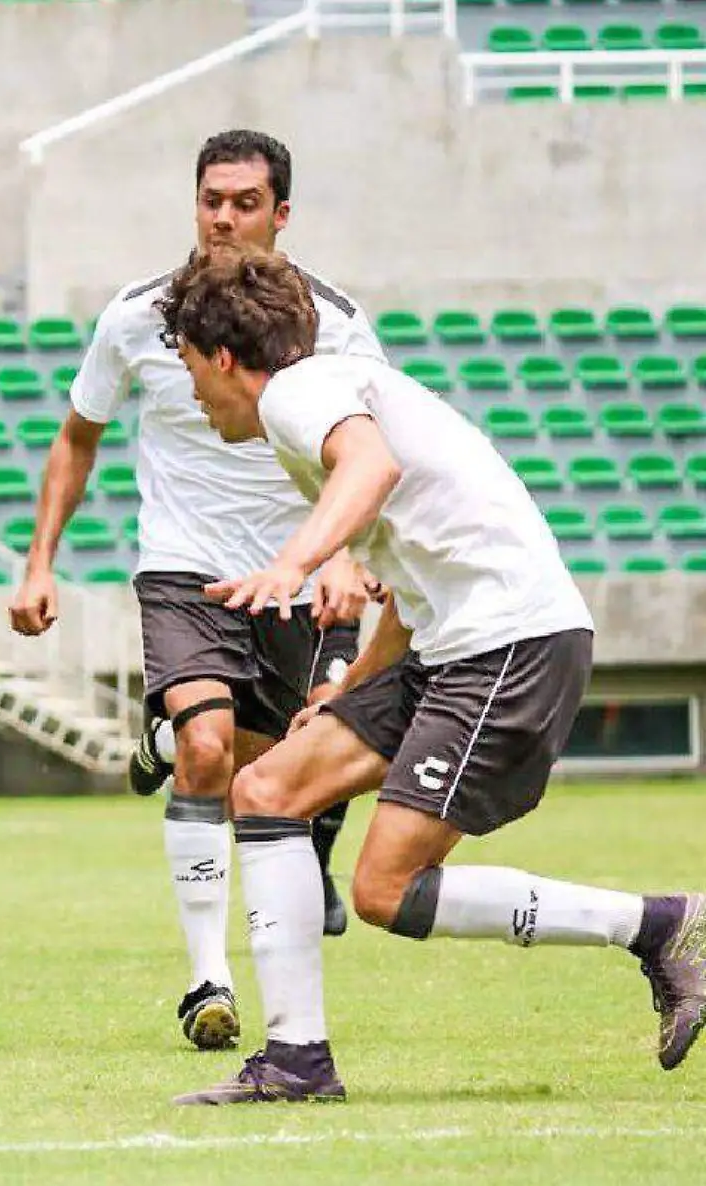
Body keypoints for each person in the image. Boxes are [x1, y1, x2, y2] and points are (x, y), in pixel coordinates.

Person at [157, 245, 704, 1105]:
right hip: (449, 646)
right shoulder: (318, 407)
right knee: (265, 789)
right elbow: (411, 584)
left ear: (223, 357)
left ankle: (660, 925)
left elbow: (373, 472)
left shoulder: (301, 394)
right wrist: (352, 686)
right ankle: (295, 1061)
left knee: (383, 890)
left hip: (510, 646)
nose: (191, 391)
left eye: (190, 367)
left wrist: (294, 564)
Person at [9, 129, 377, 1052]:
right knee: (209, 755)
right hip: (184, 567)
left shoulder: (334, 321)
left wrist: (342, 554)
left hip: (296, 576)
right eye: (211, 198)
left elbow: (368, 454)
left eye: (245, 201)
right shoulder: (137, 316)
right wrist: (40, 560)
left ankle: (166, 733)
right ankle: (207, 980)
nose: (223, 216)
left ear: (281, 214)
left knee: (270, 770)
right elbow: (78, 437)